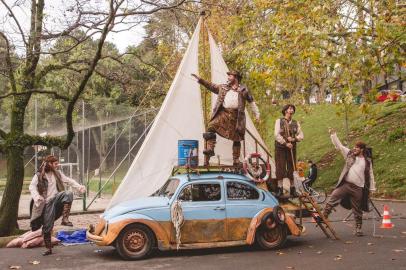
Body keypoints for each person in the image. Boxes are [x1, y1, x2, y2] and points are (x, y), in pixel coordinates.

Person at [191, 71, 260, 166]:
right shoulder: (223, 88)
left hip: (237, 116)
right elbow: (211, 86)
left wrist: (257, 115)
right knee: (211, 126)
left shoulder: (244, 90)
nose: (228, 77)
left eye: (230, 76)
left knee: (237, 138)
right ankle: (210, 149)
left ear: (235, 77)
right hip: (224, 114)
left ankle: (236, 160)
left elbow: (251, 102)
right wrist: (200, 79)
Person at [322, 128, 376, 236]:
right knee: (333, 196)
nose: (354, 149)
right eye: (354, 147)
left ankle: (358, 229)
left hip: (358, 188)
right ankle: (323, 216)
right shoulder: (349, 155)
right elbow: (340, 146)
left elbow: (370, 175)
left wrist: (372, 188)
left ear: (362, 149)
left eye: (357, 147)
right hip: (346, 185)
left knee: (357, 209)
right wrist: (333, 135)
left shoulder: (367, 161)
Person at [29, 155, 86, 255]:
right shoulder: (39, 175)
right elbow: (32, 187)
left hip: (56, 199)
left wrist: (79, 187)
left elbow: (69, 180)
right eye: (55, 164)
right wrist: (37, 196)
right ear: (49, 164)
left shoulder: (57, 173)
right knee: (47, 227)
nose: (57, 165)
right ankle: (48, 248)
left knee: (68, 193)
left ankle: (65, 219)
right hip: (46, 204)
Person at [274, 104, 304, 197]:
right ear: (285, 110)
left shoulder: (296, 123)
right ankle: (280, 189)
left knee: (292, 167)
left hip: (292, 148)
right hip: (281, 148)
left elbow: (301, 135)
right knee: (280, 167)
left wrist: (294, 139)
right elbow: (276, 135)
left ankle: (292, 189)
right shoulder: (279, 121)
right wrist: (285, 143)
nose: (292, 110)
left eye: (293, 109)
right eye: (290, 108)